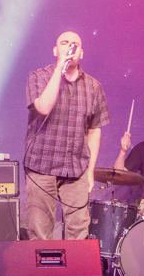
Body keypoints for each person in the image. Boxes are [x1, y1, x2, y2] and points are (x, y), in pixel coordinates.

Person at [23, 31, 110, 240]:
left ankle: (75, 264)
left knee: (79, 232)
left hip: (75, 169)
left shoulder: (94, 87)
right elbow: (43, 107)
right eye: (64, 43)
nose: (70, 47)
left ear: (82, 52)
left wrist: (90, 172)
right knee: (40, 234)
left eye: (75, 44)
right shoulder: (38, 77)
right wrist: (59, 69)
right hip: (41, 166)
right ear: (55, 50)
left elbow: (94, 130)